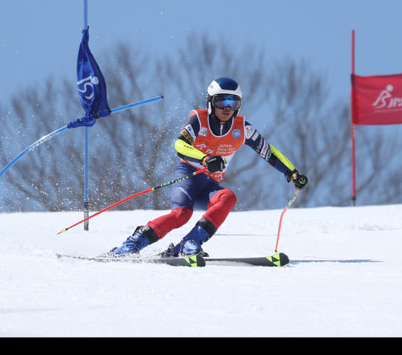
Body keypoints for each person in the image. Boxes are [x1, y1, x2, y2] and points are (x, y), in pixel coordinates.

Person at [109, 77, 308, 258]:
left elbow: (268, 152)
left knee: (228, 197)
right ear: (211, 101)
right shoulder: (199, 119)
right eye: (222, 101)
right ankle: (134, 242)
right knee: (181, 215)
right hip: (188, 175)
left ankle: (190, 242)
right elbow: (180, 145)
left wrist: (291, 173)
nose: (227, 107)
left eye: (233, 102)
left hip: (209, 184)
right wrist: (205, 159)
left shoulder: (242, 128)